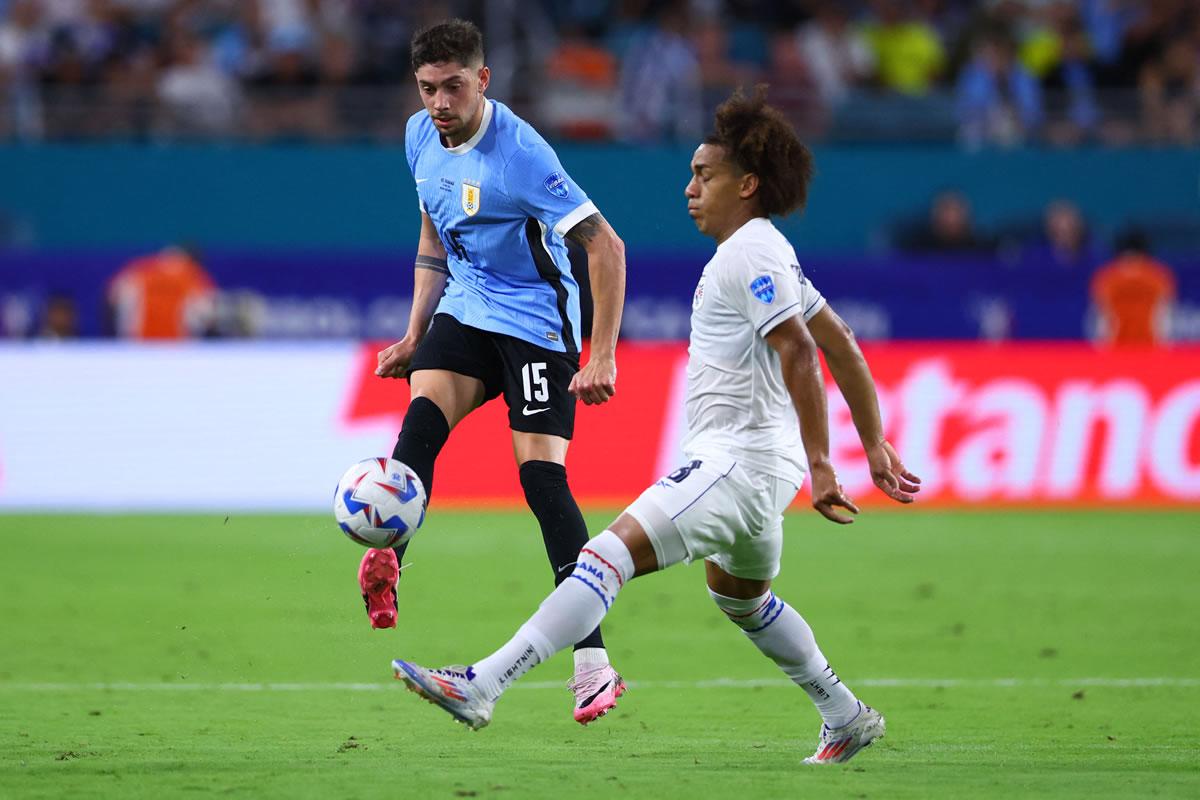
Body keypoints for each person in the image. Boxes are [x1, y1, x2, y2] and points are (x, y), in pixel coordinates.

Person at [391, 87, 921, 766]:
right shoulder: (768, 248)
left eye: (705, 175)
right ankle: (844, 713)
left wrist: (828, 462)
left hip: (739, 461)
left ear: (748, 184)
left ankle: (484, 683)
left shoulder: (749, 255)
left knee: (603, 559)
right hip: (761, 466)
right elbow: (841, 340)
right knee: (742, 598)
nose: (689, 188)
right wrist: (871, 442)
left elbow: (799, 349)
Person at [363, 19, 628, 726]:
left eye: (453, 86)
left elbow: (607, 247)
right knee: (421, 423)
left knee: (541, 479)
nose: (440, 102)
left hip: (541, 322)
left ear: (482, 80)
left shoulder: (519, 154)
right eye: (427, 89)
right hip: (469, 305)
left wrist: (600, 352)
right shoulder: (420, 135)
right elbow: (432, 235)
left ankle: (592, 663)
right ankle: (389, 557)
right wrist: (416, 333)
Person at [1089, 229, 1177, 346]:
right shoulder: (1107, 278)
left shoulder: (1158, 277)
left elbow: (1165, 315)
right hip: (1119, 348)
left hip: (1148, 347)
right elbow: (1101, 316)